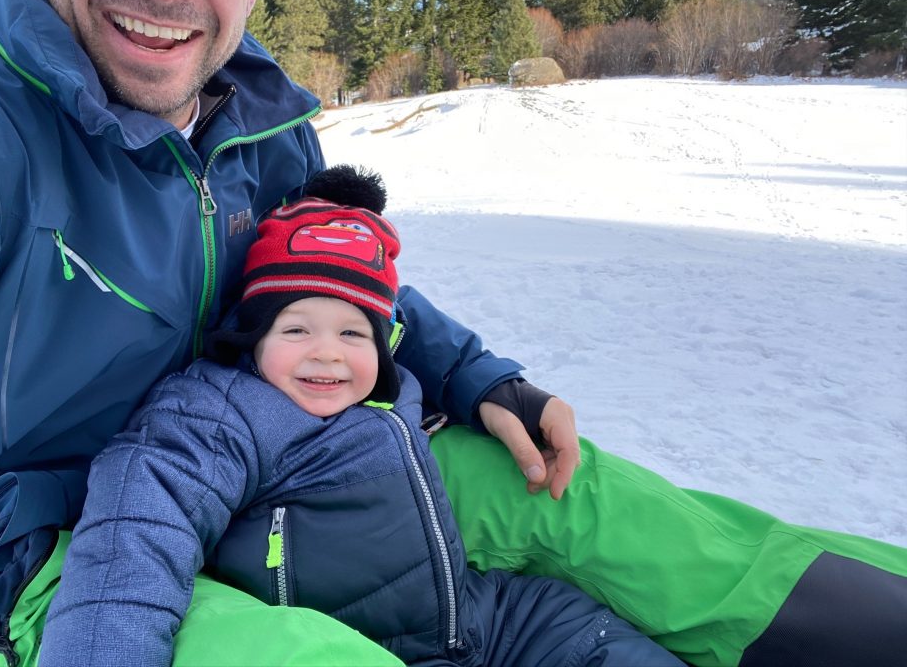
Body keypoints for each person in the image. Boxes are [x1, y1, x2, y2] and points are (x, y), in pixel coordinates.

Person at [0, 0, 903, 666]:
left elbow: (326, 287)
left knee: (591, 504)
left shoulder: (253, 118)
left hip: (287, 450)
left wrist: (474, 375)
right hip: (44, 553)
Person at [37, 165, 684, 667]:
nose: (327, 353)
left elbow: (428, 338)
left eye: (353, 333)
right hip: (358, 647)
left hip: (479, 622)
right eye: (296, 328)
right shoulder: (215, 415)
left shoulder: (392, 385)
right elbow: (134, 545)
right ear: (253, 333)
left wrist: (493, 385)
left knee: (593, 635)